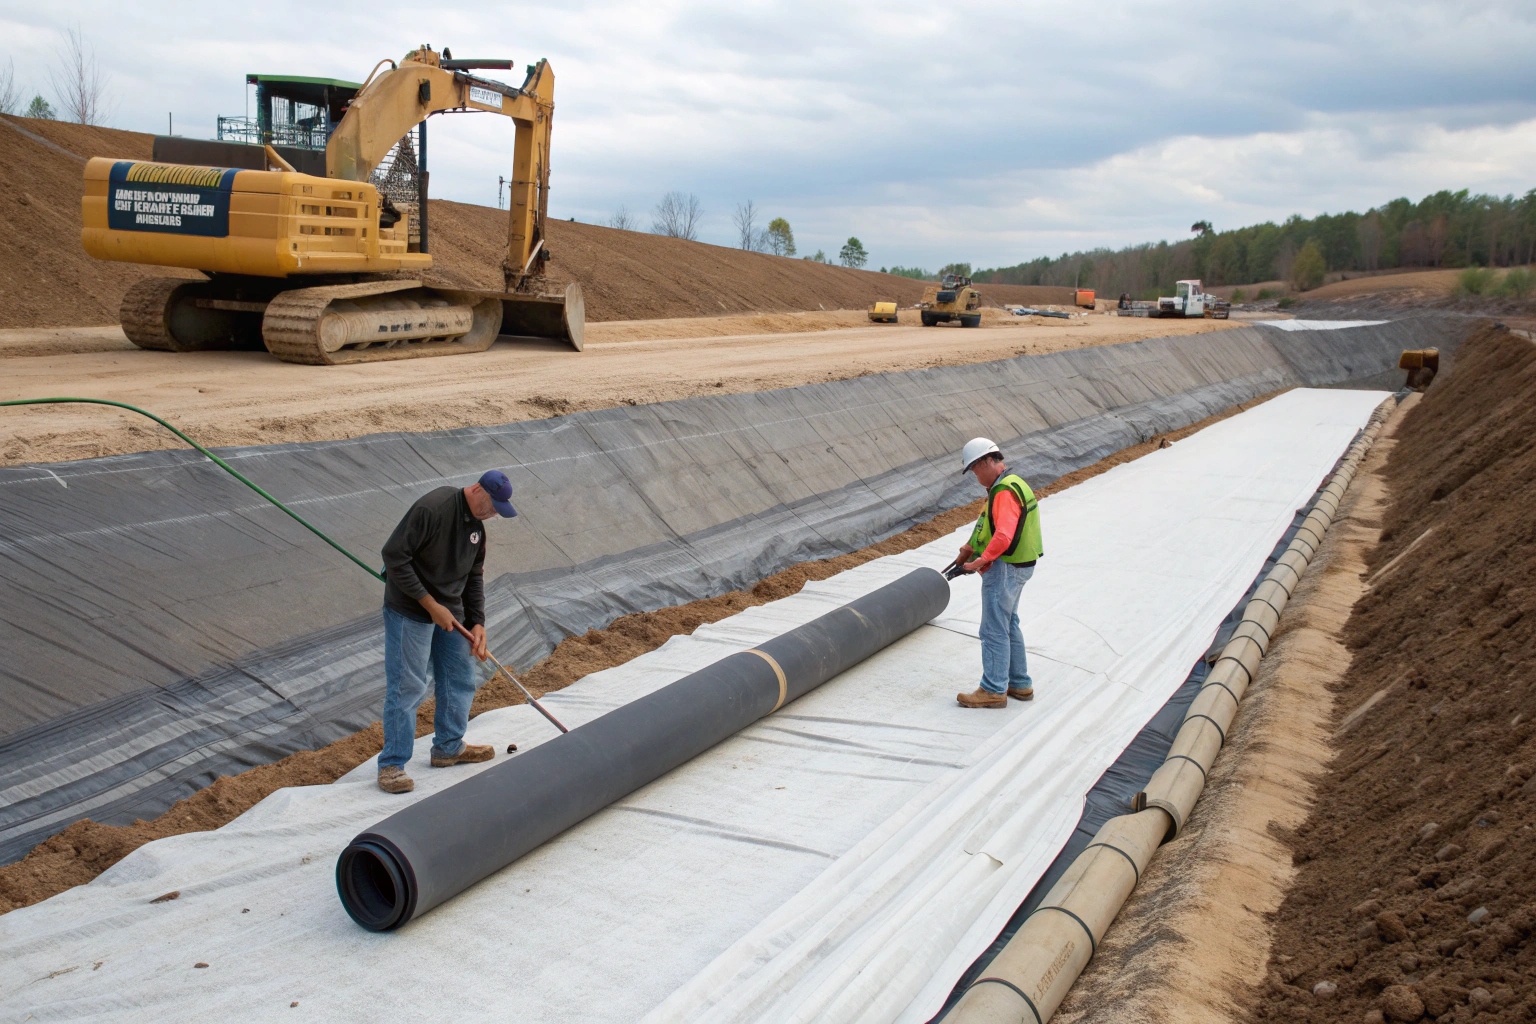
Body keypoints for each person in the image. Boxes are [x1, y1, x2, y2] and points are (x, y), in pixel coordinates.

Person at [376, 470, 519, 793]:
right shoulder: (433, 509)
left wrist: (477, 621)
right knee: (408, 685)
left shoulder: (477, 531)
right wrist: (430, 604)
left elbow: (473, 577)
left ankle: (448, 747)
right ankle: (392, 765)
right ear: (478, 489)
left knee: (459, 675)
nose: (494, 513)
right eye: (493, 505)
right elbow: (394, 557)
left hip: (450, 609)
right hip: (410, 609)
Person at [953, 438, 1043, 709]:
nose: (975, 476)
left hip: (1005, 568)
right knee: (1008, 623)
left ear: (986, 462)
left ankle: (993, 689)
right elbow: (987, 525)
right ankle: (1019, 683)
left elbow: (1003, 534)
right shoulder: (1011, 483)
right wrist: (968, 549)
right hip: (1020, 565)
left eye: (975, 469)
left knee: (993, 629)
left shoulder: (1002, 491)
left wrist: (981, 560)